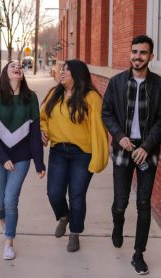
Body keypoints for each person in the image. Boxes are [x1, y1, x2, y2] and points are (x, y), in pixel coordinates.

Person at [102, 35, 161, 275]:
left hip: (147, 150)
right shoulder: (116, 82)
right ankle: (118, 225)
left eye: (143, 53)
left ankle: (138, 254)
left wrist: (146, 146)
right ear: (130, 53)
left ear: (151, 57)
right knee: (120, 202)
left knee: (144, 204)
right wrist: (119, 136)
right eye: (134, 52)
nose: (137, 56)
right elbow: (106, 113)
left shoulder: (158, 84)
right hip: (123, 149)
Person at [40, 59, 108, 253]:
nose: (62, 72)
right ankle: (63, 216)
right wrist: (42, 130)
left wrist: (98, 158)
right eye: (62, 69)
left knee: (77, 195)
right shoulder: (54, 94)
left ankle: (75, 233)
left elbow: (98, 130)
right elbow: (43, 118)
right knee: (54, 193)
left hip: (82, 154)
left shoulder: (91, 97)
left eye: (67, 70)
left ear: (77, 75)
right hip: (58, 151)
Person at [0, 61, 46, 260]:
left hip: (21, 158)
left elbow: (35, 132)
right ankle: (4, 222)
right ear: (6, 73)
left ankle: (9, 241)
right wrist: (3, 159)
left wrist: (39, 163)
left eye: (20, 66)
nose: (17, 67)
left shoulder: (31, 98)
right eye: (12, 65)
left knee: (11, 200)